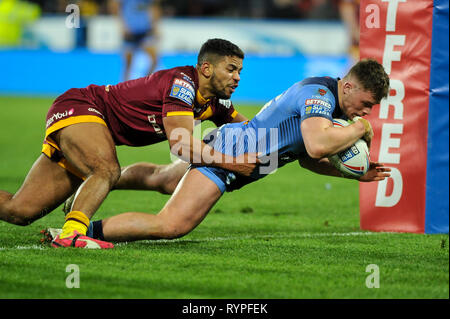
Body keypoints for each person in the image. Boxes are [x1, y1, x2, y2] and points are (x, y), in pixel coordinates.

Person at [45, 58, 391, 247]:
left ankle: (90, 188)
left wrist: (353, 173)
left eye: (370, 109)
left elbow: (306, 156)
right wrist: (359, 131)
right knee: (172, 225)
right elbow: (318, 145)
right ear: (348, 86)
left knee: (162, 178)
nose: (366, 113)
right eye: (366, 104)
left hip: (237, 146)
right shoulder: (319, 96)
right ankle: (80, 233)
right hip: (233, 156)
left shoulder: (333, 108)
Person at [0, 38, 258, 248]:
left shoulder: (218, 103)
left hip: (91, 131)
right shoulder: (182, 84)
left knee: (20, 211)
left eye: (240, 71)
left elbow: (252, 133)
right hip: (82, 107)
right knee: (105, 170)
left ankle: (88, 197)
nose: (237, 78)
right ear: (206, 69)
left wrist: (287, 144)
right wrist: (233, 164)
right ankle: (72, 233)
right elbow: (180, 145)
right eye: (231, 69)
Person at [109, 0, 162, 80]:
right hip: (130, 30)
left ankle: (145, 82)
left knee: (154, 60)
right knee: (128, 63)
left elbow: (154, 7)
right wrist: (122, 25)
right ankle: (124, 87)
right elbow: (114, 6)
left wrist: (155, 26)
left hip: (145, 29)